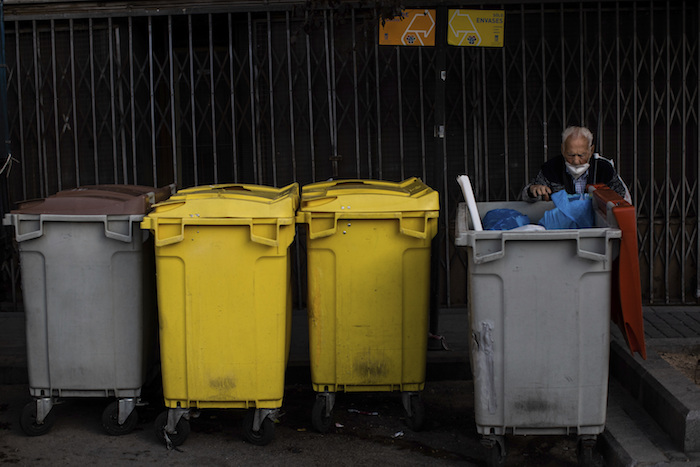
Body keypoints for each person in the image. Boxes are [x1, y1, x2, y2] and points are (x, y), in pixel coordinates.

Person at [522, 126, 631, 204]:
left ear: (591, 150)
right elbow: (527, 198)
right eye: (571, 155)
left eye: (581, 155)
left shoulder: (604, 169)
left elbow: (620, 195)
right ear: (562, 149)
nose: (576, 161)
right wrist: (533, 190)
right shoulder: (551, 168)